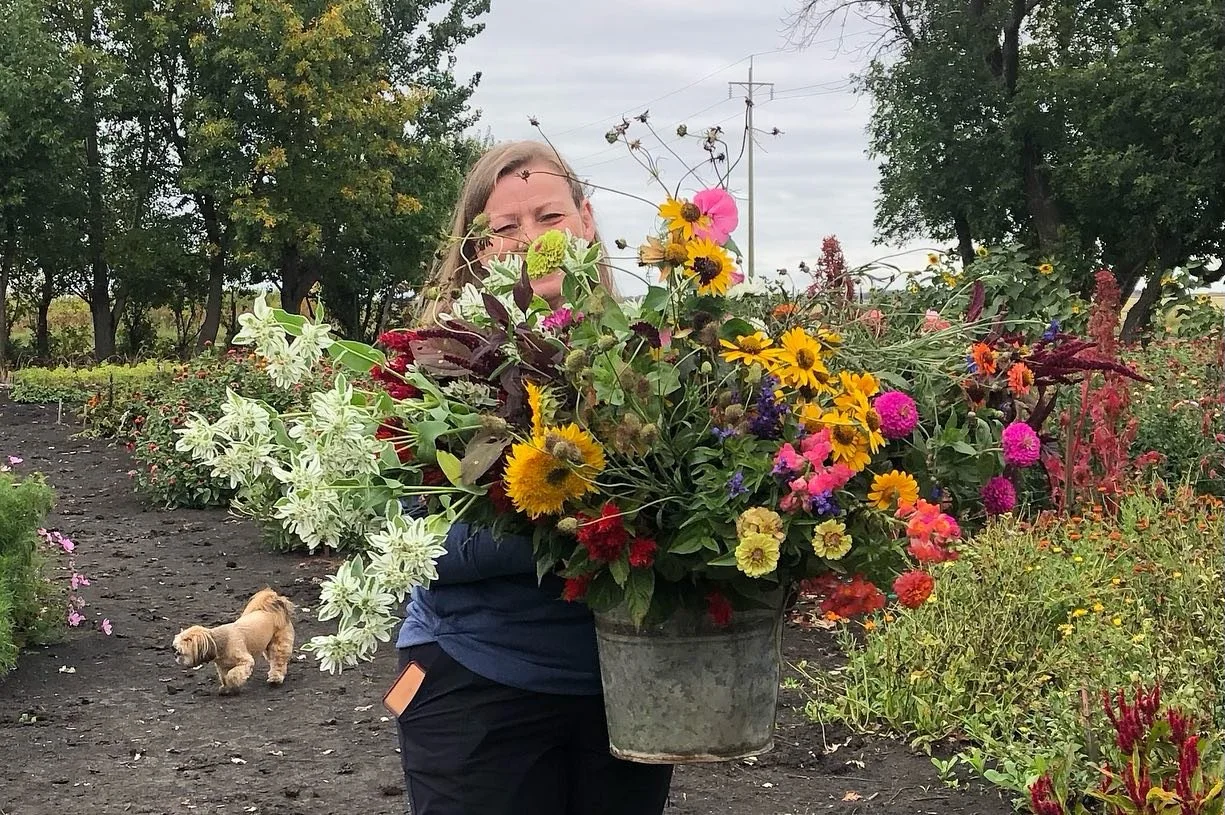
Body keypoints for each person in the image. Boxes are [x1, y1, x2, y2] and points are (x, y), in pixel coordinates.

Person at [395, 140, 674, 815]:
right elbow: (429, 547)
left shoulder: (648, 353)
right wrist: (600, 525)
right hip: (475, 681)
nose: (530, 240)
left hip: (623, 686)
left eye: (548, 215)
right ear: (477, 251)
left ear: (585, 219)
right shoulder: (439, 369)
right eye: (504, 228)